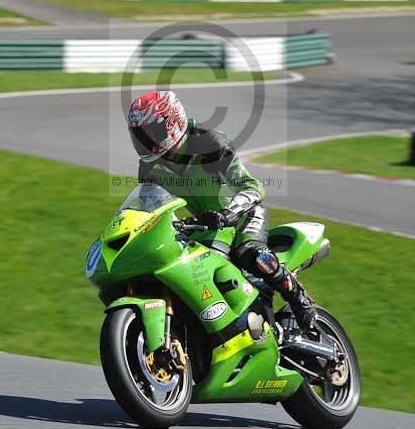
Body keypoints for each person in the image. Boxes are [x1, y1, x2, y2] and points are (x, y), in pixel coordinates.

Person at [127, 89, 316, 330]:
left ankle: (299, 299)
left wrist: (229, 213)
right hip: (203, 225)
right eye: (140, 136)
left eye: (151, 132)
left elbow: (253, 186)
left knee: (251, 253)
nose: (146, 141)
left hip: (242, 216)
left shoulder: (208, 144)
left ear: (172, 122)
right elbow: (149, 207)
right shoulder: (150, 167)